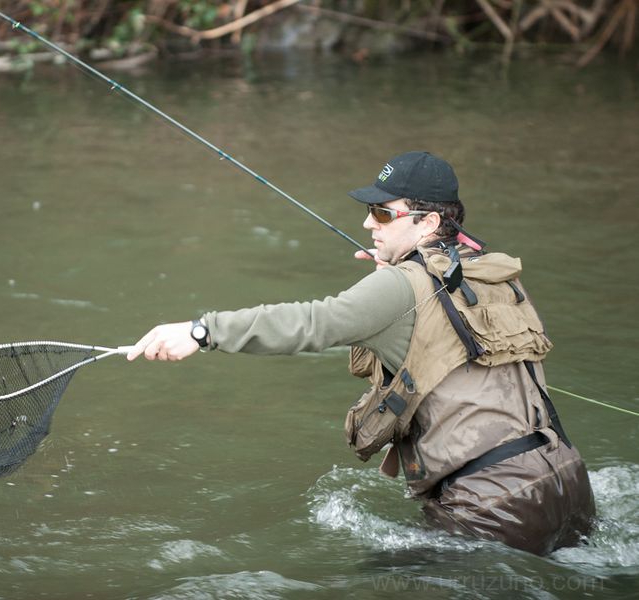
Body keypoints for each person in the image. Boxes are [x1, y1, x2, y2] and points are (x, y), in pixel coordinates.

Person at [126, 151, 595, 555]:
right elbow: (437, 310)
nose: (368, 223)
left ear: (428, 222)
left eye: (384, 213)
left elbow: (313, 322)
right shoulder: (493, 273)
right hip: (568, 484)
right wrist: (399, 272)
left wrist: (203, 331)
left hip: (492, 507)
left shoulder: (400, 286)